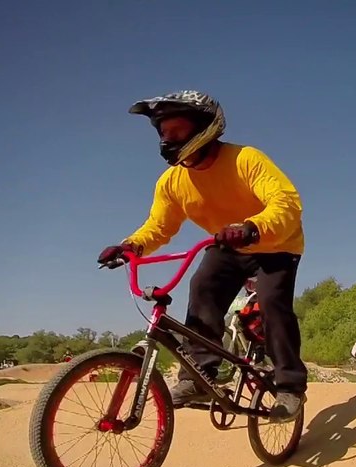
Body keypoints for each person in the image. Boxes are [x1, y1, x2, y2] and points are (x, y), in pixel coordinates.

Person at [96, 91, 307, 419]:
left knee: (271, 302)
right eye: (163, 133)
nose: (168, 140)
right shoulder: (171, 182)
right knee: (202, 286)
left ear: (206, 128)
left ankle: (290, 386)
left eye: (176, 132)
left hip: (275, 243)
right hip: (228, 246)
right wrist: (131, 246)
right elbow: (159, 226)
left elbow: (286, 204)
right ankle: (199, 376)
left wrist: (252, 227)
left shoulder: (246, 159)